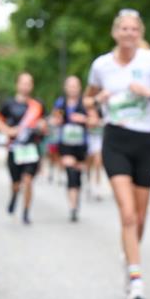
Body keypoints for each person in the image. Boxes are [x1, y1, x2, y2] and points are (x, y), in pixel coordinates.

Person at [86, 9, 150, 299]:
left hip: (145, 142)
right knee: (127, 213)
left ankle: (130, 257)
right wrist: (96, 102)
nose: (129, 34)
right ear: (115, 33)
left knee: (139, 218)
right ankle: (136, 280)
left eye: (134, 29)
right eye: (123, 29)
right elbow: (87, 100)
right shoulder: (101, 65)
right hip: (116, 140)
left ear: (139, 32)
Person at [0, 73, 47, 225]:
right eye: (23, 83)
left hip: (31, 148)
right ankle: (14, 195)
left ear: (32, 86)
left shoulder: (37, 105)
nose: (25, 86)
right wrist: (8, 131)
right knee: (16, 182)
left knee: (28, 180)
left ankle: (26, 212)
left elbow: (45, 123)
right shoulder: (8, 104)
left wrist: (42, 126)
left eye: (29, 83)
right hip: (15, 149)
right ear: (17, 84)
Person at [52, 76, 97, 222]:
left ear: (79, 88)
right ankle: (72, 207)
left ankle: (75, 202)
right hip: (65, 143)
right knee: (70, 172)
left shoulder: (85, 103)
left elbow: (94, 121)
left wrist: (83, 119)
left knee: (77, 175)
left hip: (81, 144)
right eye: (70, 86)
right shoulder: (61, 103)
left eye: (75, 86)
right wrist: (58, 119)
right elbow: (56, 119)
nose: (72, 89)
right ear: (66, 88)